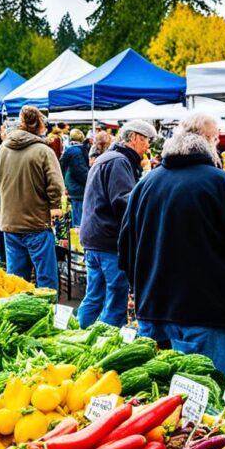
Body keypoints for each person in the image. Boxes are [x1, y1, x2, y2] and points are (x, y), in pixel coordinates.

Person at [118, 112, 225, 373]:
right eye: (217, 138)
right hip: (205, 315)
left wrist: (139, 287)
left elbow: (126, 247)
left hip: (153, 310)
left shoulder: (147, 184)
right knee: (208, 401)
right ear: (208, 141)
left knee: (160, 399)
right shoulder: (221, 183)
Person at [77, 120, 154, 328]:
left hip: (94, 238)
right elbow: (123, 201)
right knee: (115, 301)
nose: (148, 146)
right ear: (135, 138)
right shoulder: (119, 161)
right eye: (147, 140)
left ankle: (78, 336)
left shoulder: (108, 157)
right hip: (108, 241)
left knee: (94, 296)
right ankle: (107, 344)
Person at [0, 106, 64, 291]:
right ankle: (50, 317)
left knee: (17, 281)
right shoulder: (43, 151)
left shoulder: (4, 149)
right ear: (40, 125)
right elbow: (56, 184)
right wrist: (56, 206)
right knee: (46, 282)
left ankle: (17, 319)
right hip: (36, 222)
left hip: (10, 222)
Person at [59, 129, 90, 228]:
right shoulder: (77, 152)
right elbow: (81, 172)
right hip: (78, 190)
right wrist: (91, 182)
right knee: (79, 222)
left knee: (75, 216)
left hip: (71, 186)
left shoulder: (68, 150)